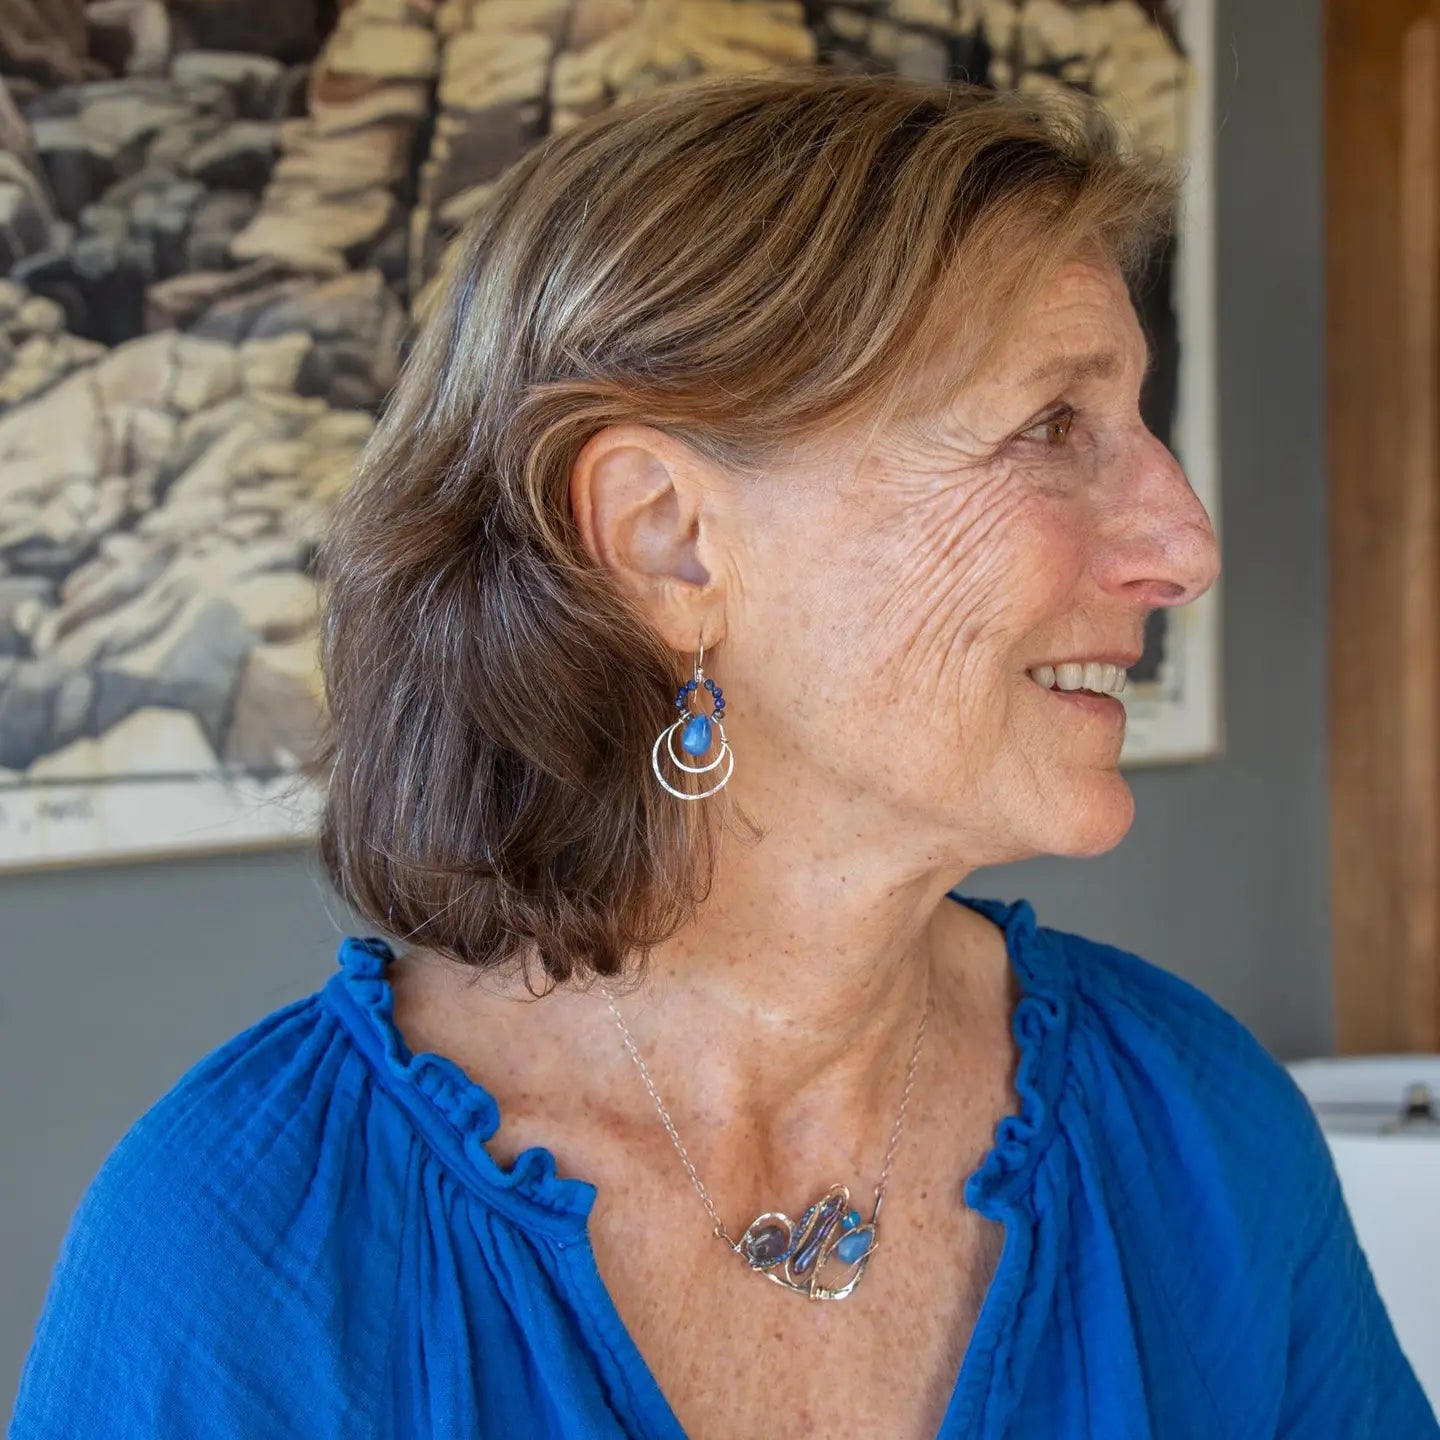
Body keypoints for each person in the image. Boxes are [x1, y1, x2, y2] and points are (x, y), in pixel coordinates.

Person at [10, 69, 1436, 1440]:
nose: (1185, 546)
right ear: (668, 539)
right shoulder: (245, 1252)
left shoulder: (1197, 1133)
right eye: (1052, 424)